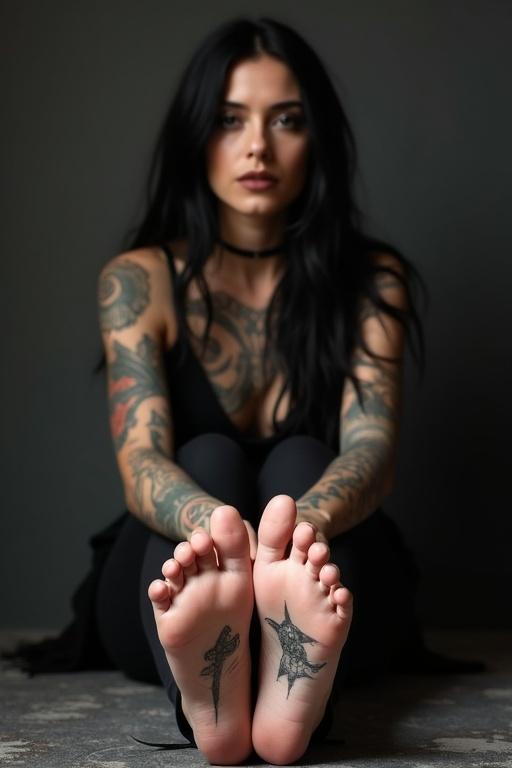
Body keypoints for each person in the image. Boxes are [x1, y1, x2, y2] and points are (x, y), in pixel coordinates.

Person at [25, 15, 427, 765]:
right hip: (170, 566)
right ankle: (218, 688)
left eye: (287, 120)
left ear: (319, 139)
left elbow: (371, 449)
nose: (257, 147)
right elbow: (143, 458)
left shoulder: (371, 282)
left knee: (305, 457)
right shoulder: (138, 282)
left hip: (326, 556)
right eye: (228, 119)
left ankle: (288, 692)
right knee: (205, 457)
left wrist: (289, 540)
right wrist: (223, 538)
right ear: (193, 138)